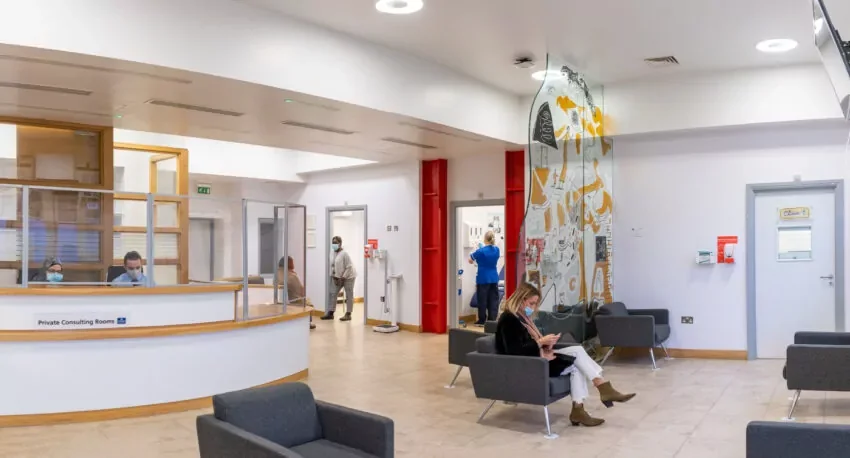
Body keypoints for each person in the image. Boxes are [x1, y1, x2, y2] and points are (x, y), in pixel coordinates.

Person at [495, 282, 636, 427]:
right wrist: (540, 342)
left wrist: (546, 343)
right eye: (531, 303)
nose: (533, 307)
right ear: (520, 299)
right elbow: (515, 351)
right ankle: (601, 388)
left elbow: (528, 344)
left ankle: (580, 409)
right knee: (576, 354)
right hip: (527, 364)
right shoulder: (509, 319)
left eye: (535, 304)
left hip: (537, 357)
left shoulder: (523, 318)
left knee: (577, 358)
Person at [322, 236, 356, 322]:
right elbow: (332, 266)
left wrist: (343, 278)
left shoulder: (344, 254)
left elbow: (349, 267)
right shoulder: (332, 253)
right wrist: (334, 276)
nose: (334, 244)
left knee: (349, 295)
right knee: (333, 293)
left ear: (340, 244)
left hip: (349, 277)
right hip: (337, 277)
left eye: (336, 242)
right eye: (333, 242)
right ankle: (331, 313)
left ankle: (348, 314)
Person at [469, 230, 500, 325]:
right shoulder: (497, 250)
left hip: (483, 278)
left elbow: (470, 260)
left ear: (485, 239)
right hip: (494, 278)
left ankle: (482, 320)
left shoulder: (481, 251)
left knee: (482, 300)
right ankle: (492, 320)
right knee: (493, 300)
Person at [278, 256, 316, 330]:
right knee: (308, 302)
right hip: (294, 301)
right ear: (289, 264)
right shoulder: (292, 276)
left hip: (281, 302)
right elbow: (301, 291)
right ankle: (307, 322)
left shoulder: (277, 274)